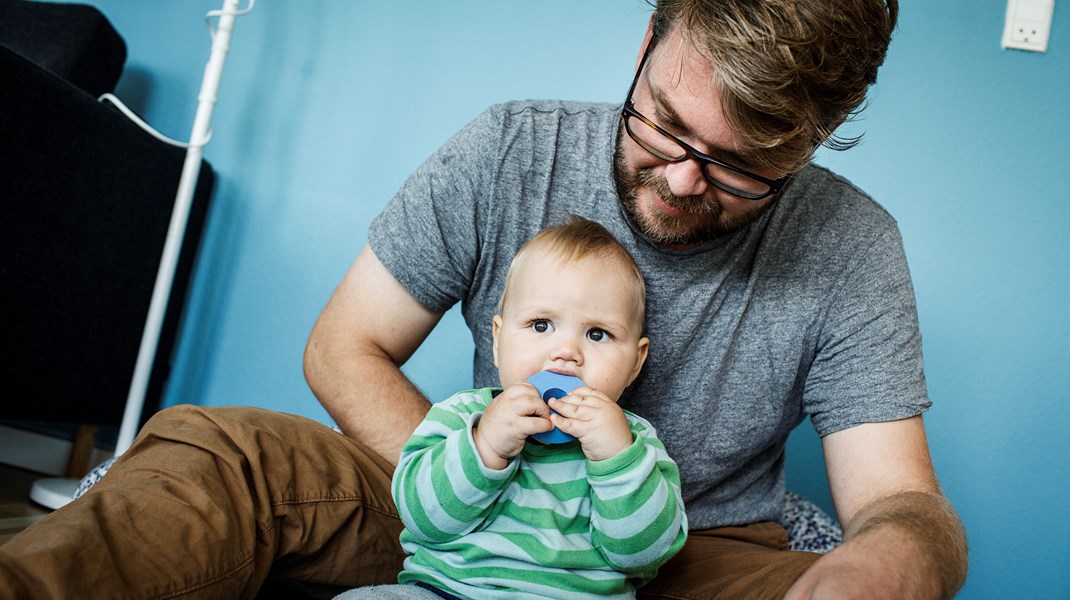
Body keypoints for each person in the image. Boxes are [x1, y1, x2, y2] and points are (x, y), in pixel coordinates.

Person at [0, 1, 968, 598]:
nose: (679, 182)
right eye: (663, 125)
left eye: (740, 167)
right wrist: (468, 473)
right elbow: (346, 346)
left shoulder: (852, 244)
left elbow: (896, 500)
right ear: (647, 38)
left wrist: (886, 566)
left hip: (691, 549)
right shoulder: (508, 144)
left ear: (817, 134)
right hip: (465, 506)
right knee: (220, 448)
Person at [339, 217, 687, 600]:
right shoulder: (461, 416)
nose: (566, 353)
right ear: (498, 339)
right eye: (541, 326)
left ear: (635, 363)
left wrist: (616, 459)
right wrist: (485, 446)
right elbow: (423, 520)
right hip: (446, 591)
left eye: (597, 334)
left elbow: (643, 556)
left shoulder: (635, 445)